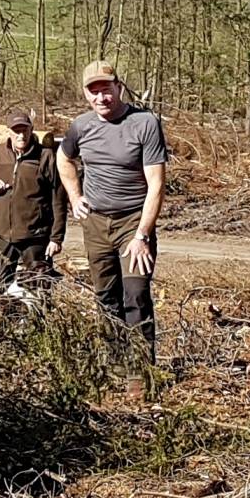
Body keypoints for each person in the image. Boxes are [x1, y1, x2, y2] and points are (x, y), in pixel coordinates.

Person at [58, 60, 170, 361]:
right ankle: (113, 363)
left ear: (118, 88)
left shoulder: (145, 123)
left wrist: (142, 235)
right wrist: (75, 197)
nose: (101, 98)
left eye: (106, 90)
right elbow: (63, 159)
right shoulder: (81, 126)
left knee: (136, 294)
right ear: (85, 94)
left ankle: (140, 370)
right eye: (93, 92)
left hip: (133, 222)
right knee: (106, 296)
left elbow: (156, 184)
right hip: (95, 223)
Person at [0, 111, 64, 297]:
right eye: (16, 131)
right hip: (3, 235)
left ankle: (40, 315)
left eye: (24, 130)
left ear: (31, 130)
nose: (21, 135)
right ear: (8, 131)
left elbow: (58, 199)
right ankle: (3, 314)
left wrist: (56, 238)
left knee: (39, 289)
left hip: (35, 236)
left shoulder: (45, 156)